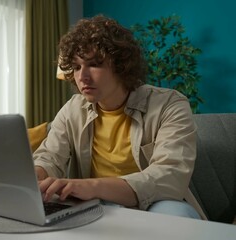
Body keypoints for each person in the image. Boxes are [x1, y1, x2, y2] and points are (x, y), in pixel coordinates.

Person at [33, 14, 206, 220]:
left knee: (179, 217)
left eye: (94, 64)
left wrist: (93, 186)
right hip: (94, 202)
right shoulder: (73, 109)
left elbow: (170, 176)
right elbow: (50, 157)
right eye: (77, 66)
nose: (82, 76)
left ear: (121, 65)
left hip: (154, 202)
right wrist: (36, 175)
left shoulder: (170, 104)